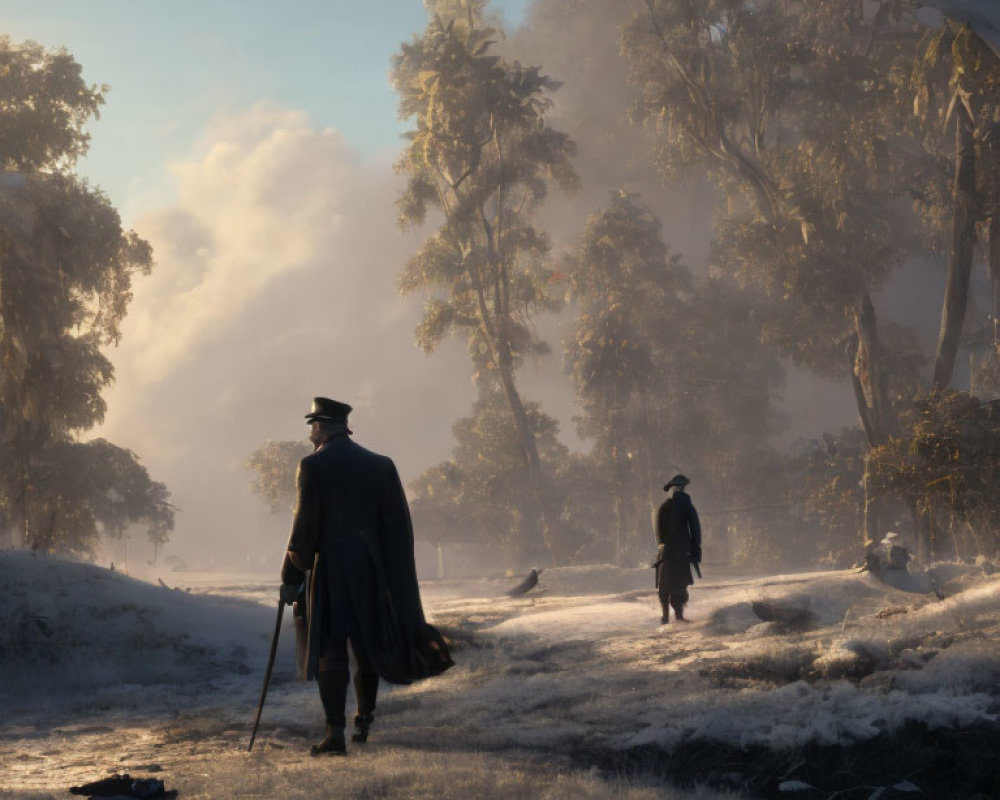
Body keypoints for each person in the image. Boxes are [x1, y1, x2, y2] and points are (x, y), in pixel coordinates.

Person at [280, 397, 453, 756]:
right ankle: (364, 721)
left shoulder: (312, 467)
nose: (310, 431)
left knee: (331, 651)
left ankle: (335, 734)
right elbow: (398, 530)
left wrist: (290, 574)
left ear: (322, 426)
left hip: (330, 571)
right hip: (372, 572)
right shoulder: (381, 465)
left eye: (312, 424)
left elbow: (303, 531)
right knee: (365, 648)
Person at [655, 474, 701, 624]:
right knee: (679, 584)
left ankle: (665, 616)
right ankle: (678, 616)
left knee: (665, 584)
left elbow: (659, 534)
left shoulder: (663, 507)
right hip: (681, 553)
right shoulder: (688, 506)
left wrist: (662, 548)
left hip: (667, 553)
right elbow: (695, 530)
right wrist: (696, 550)